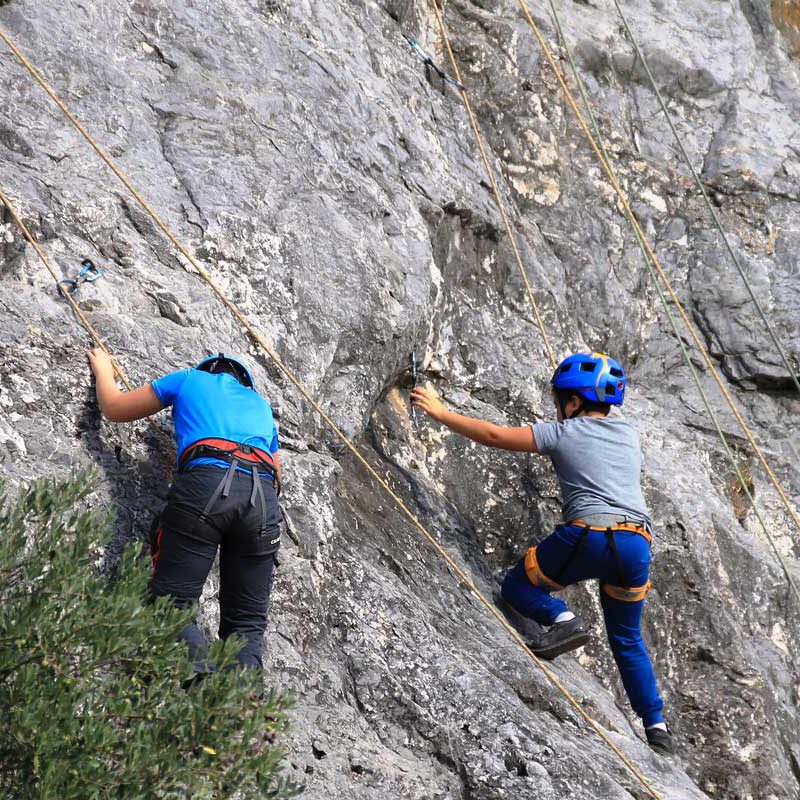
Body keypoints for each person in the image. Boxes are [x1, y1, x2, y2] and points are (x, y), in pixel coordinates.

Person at [411, 352, 673, 755]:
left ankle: (562, 619)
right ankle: (656, 726)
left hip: (589, 534)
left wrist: (441, 413)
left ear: (573, 402)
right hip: (637, 544)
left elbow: (496, 436)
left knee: (517, 585)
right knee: (626, 637)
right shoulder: (629, 433)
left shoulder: (562, 433)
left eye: (560, 400)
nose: (558, 408)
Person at [87, 349, 282, 673]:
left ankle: (203, 687)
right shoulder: (261, 407)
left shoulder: (189, 379)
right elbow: (276, 475)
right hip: (262, 500)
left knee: (171, 605)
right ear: (243, 382)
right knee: (246, 624)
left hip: (208, 484)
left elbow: (114, 407)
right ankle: (240, 707)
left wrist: (104, 370)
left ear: (207, 371)